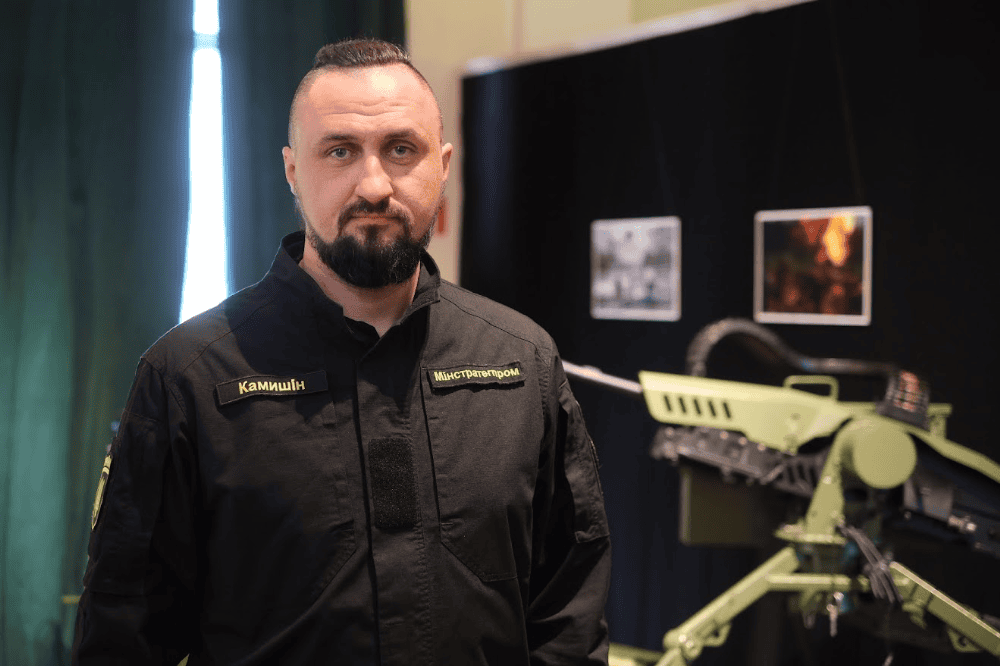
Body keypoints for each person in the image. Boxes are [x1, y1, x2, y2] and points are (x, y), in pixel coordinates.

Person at [73, 38, 611, 665]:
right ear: (292, 171)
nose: (374, 185)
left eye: (401, 150)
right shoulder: (188, 379)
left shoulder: (522, 365)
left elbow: (568, 618)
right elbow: (123, 640)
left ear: (443, 166)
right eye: (340, 151)